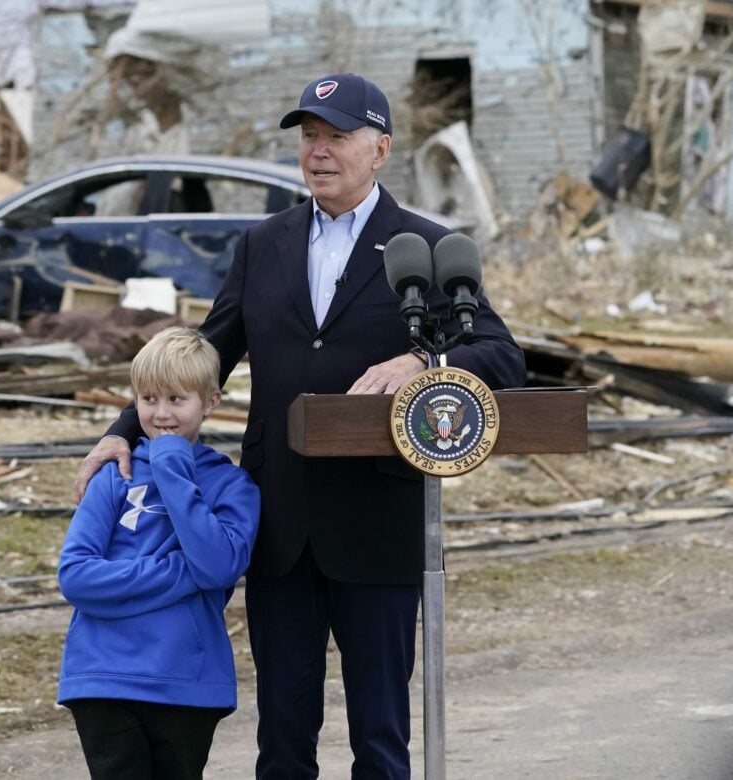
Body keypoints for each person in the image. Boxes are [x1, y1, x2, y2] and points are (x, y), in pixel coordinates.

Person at [74, 73, 527, 779]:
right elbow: (210, 350)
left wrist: (421, 360)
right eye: (310, 137)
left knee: (379, 733)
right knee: (282, 734)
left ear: (379, 149)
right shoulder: (264, 245)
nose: (319, 151)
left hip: (378, 521)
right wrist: (127, 426)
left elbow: (501, 356)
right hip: (278, 520)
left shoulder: (426, 248)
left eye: (337, 137)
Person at [57, 325, 261, 779]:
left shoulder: (231, 486)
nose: (162, 413)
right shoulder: (114, 475)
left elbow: (221, 565)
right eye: (148, 399)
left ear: (210, 402)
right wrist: (182, 571)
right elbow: (76, 577)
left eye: (176, 399)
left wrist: (171, 465)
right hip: (102, 677)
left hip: (187, 683)